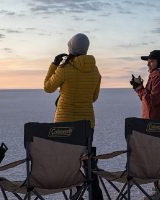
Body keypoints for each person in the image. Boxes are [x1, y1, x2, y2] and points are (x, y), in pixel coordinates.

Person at [43, 33, 103, 199]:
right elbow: (94, 98)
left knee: (69, 161)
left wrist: (54, 64)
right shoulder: (95, 70)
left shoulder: (64, 69)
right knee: (87, 159)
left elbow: (48, 87)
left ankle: (76, 192)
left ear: (70, 48)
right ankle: (93, 192)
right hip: (86, 123)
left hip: (64, 123)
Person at [130, 50, 160, 199]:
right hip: (153, 121)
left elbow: (152, 103)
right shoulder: (156, 76)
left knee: (159, 158)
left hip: (156, 123)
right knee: (156, 158)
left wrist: (140, 88)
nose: (148, 63)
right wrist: (139, 88)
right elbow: (148, 100)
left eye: (151, 61)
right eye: (148, 61)